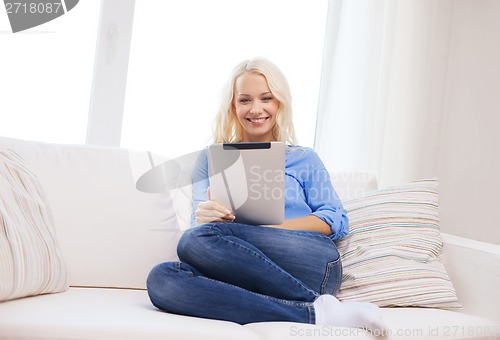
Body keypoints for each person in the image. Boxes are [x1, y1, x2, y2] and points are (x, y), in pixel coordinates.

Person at [146, 57, 386, 330]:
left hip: (308, 260)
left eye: (266, 98)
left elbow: (336, 219)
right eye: (245, 100)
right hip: (240, 267)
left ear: (279, 103)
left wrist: (275, 229)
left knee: (195, 240)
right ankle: (315, 311)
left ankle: (311, 301)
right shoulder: (211, 159)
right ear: (233, 107)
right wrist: (205, 215)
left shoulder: (303, 158)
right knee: (162, 278)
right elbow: (199, 236)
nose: (255, 109)